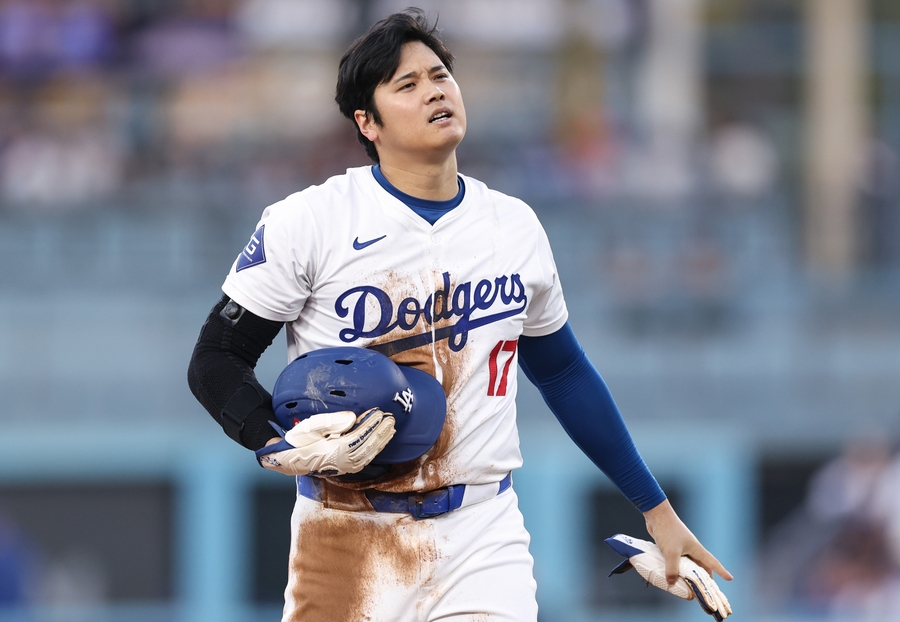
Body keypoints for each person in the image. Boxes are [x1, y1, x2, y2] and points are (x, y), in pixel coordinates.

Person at [187, 9, 731, 621]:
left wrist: (655, 508)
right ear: (367, 121)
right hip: (344, 533)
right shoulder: (309, 221)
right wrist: (271, 442)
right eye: (407, 84)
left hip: (481, 531)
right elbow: (216, 361)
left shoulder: (514, 226)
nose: (435, 89)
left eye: (439, 73)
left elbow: (563, 374)